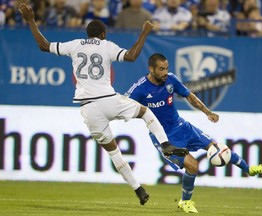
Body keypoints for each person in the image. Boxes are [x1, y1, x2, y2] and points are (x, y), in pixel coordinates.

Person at [17, 2, 189, 205]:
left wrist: (31, 21)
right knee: (145, 112)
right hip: (108, 100)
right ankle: (166, 145)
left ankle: (138, 189)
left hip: (88, 109)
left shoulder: (74, 45)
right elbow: (132, 56)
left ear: (87, 34)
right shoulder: (107, 46)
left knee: (113, 151)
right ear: (104, 34)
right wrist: (144, 33)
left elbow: (44, 46)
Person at [126, 53, 262, 213]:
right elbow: (123, 105)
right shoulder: (139, 89)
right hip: (164, 137)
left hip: (182, 127)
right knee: (193, 166)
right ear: (151, 69)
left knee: (217, 147)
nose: (165, 72)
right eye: (161, 69)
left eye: (167, 68)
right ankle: (185, 202)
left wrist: (207, 112)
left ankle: (249, 169)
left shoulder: (171, 79)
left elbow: (189, 96)